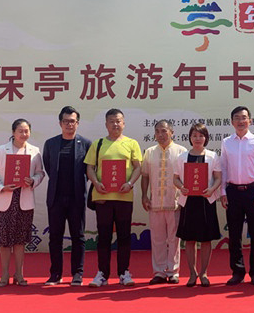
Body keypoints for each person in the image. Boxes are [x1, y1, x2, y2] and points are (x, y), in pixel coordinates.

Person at [85, 109, 142, 287]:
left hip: (124, 197)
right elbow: (90, 167)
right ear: (106, 124)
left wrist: (130, 183)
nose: (115, 124)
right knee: (103, 236)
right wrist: (96, 183)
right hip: (103, 197)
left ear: (123, 123)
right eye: (111, 121)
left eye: (118, 121)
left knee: (124, 236)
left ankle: (124, 272)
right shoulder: (98, 144)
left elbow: (138, 167)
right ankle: (102, 273)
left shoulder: (132, 143)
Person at [0, 118, 45, 287]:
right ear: (13, 132)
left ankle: (19, 274)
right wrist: (1, 187)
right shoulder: (1, 150)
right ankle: (4, 274)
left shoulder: (35, 151)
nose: (23, 134)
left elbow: (40, 173)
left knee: (20, 240)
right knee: (4, 240)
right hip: (5, 198)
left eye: (26, 131)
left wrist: (33, 181)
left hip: (24, 199)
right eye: (20, 131)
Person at [42, 106, 92, 286]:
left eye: (72, 121)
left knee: (78, 236)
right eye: (66, 121)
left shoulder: (85, 144)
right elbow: (48, 166)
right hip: (56, 198)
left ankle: (77, 274)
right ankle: (56, 274)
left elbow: (89, 170)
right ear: (60, 123)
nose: (69, 124)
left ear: (77, 123)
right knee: (55, 237)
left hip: (76, 198)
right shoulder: (51, 144)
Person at [220, 106, 254, 286]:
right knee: (234, 235)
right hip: (233, 191)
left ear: (250, 120)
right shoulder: (226, 142)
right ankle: (237, 272)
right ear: (232, 122)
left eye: (244, 117)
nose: (241, 121)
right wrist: (223, 192)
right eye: (237, 118)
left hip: (253, 191)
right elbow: (223, 168)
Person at [173, 123, 222, 287]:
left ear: (206, 138)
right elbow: (175, 178)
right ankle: (192, 273)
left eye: (201, 135)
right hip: (189, 201)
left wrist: (212, 189)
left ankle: (204, 273)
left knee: (206, 239)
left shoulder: (212, 156)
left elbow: (218, 178)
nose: (198, 138)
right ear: (190, 138)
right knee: (190, 239)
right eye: (194, 135)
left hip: (206, 201)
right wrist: (181, 187)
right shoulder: (182, 157)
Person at [141, 120, 187, 284]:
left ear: (171, 132)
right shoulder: (149, 152)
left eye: (164, 131)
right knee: (157, 239)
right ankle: (159, 272)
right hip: (155, 203)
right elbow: (145, 176)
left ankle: (173, 272)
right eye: (157, 131)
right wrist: (144, 196)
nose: (160, 135)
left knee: (174, 239)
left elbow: (186, 177)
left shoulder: (181, 151)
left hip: (174, 203)